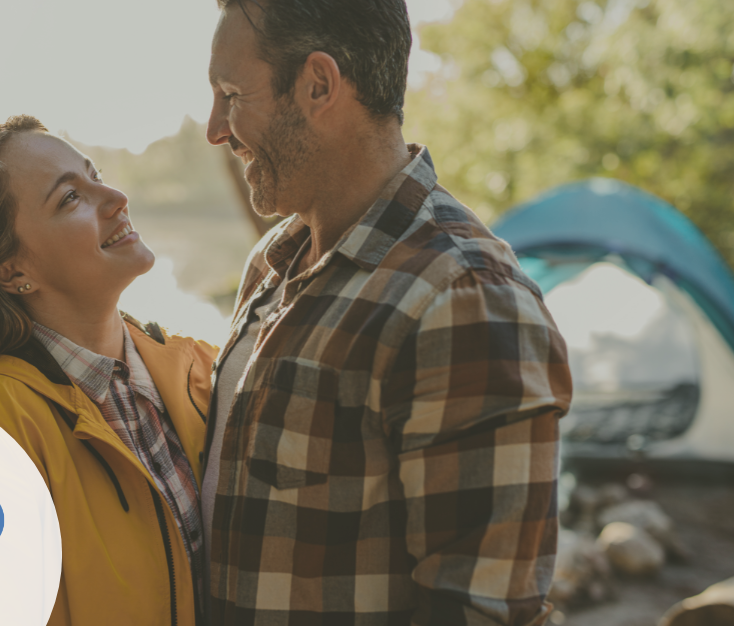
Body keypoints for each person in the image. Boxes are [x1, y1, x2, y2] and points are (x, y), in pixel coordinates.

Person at [201, 1, 573, 625]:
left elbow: (481, 613)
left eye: (232, 94)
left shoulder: (465, 299)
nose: (216, 128)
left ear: (319, 84)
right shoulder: (273, 261)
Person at [0, 115, 216, 625]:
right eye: (70, 198)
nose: (115, 196)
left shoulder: (202, 369)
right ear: (11, 270)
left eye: (95, 174)